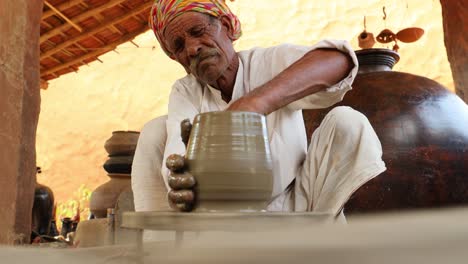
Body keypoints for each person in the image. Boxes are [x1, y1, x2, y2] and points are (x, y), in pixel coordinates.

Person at [131, 0, 386, 217]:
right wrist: (180, 182)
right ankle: (160, 252)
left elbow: (339, 60)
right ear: (177, 59)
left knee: (348, 123)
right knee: (154, 131)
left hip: (296, 208)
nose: (192, 48)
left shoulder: (268, 62)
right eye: (178, 46)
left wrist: (254, 104)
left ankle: (315, 242)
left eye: (198, 31)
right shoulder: (186, 91)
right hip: (219, 221)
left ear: (228, 27)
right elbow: (175, 154)